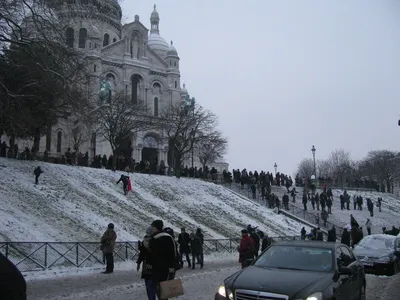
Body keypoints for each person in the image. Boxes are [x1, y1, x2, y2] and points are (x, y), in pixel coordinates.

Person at [149, 220, 177, 300]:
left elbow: (152, 254)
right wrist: (172, 267)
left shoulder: (154, 238)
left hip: (158, 269)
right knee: (164, 292)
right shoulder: (169, 237)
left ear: (156, 227)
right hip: (166, 269)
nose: (152, 229)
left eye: (153, 227)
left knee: (160, 292)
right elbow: (173, 254)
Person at [137, 227, 156, 300]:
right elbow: (142, 254)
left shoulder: (155, 241)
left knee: (151, 286)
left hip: (153, 266)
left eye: (149, 233)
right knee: (148, 286)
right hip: (146, 266)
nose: (148, 234)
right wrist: (138, 262)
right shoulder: (144, 241)